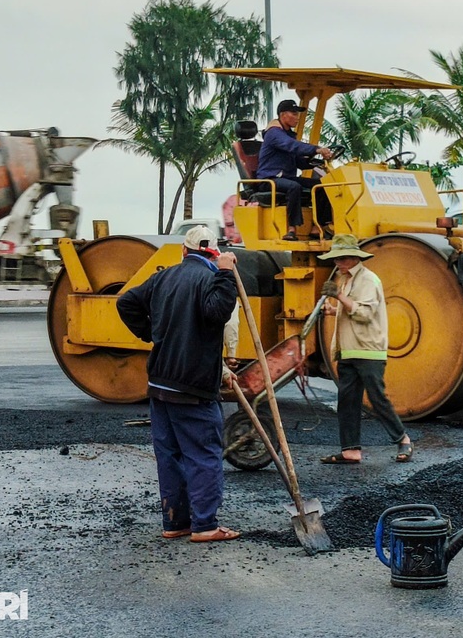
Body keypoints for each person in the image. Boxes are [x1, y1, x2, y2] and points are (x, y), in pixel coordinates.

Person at [116, 226, 242, 542]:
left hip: (160, 384)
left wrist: (149, 333)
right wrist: (227, 275)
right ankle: (205, 526)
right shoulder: (213, 280)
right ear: (213, 255)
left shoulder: (163, 277)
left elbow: (126, 303)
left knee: (170, 456)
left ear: (183, 252)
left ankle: (175, 523)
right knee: (203, 455)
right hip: (193, 389)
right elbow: (217, 313)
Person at [316, 234, 412, 464]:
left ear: (352, 258)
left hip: (368, 351)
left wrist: (337, 296)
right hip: (348, 351)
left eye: (340, 259)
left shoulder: (369, 280)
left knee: (377, 399)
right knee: (347, 401)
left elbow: (365, 313)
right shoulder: (347, 280)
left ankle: (403, 439)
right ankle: (350, 450)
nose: (336, 263)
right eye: (335, 259)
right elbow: (351, 309)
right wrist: (332, 309)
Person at [256, 99, 335, 241]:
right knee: (294, 187)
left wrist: (315, 163)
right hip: (269, 180)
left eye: (298, 114)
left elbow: (298, 160)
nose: (297, 118)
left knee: (322, 185)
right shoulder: (274, 133)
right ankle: (292, 229)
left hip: (285, 178)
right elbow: (292, 145)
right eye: (294, 113)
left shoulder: (287, 135)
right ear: (282, 115)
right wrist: (316, 149)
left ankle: (319, 227)